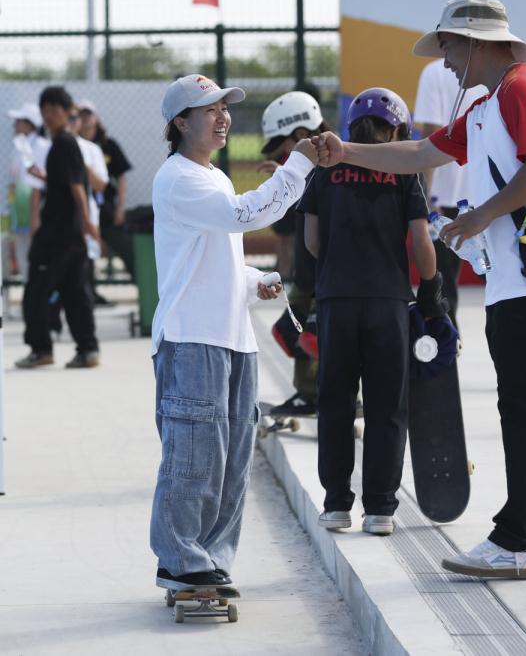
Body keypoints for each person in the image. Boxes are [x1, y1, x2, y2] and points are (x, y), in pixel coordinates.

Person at [313, 0, 526, 578]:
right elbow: (421, 151)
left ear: (478, 42)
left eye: (449, 48)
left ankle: (515, 541)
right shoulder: (487, 104)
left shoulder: (523, 89)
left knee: (525, 411)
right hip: (513, 281)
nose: (445, 62)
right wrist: (345, 151)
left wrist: (481, 216)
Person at [150, 74, 317, 592]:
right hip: (191, 338)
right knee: (195, 453)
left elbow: (209, 262)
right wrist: (300, 163)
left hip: (232, 338)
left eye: (226, 108)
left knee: (233, 457)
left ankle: (209, 557)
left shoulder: (213, 177)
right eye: (210, 110)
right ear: (180, 122)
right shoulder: (180, 177)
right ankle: (179, 559)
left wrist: (253, 282)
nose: (223, 117)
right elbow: (246, 215)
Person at [299, 87, 446, 536]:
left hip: (336, 302)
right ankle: (380, 508)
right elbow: (421, 241)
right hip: (387, 303)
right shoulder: (402, 173)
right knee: (386, 406)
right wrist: (431, 294)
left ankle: (337, 504)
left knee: (337, 403)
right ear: (397, 129)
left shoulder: (326, 171)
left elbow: (311, 241)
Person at [15, 86, 100, 370]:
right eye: (45, 110)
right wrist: (45, 176)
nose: (49, 115)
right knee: (75, 292)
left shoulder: (64, 143)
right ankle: (88, 350)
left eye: (55, 110)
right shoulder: (62, 145)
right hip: (71, 236)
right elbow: (65, 181)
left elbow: (77, 187)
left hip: (57, 234)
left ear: (67, 112)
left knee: (36, 292)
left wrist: (88, 223)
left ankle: (41, 350)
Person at [259, 89, 328, 417]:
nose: (286, 155)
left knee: (314, 336)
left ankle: (323, 396)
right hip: (306, 273)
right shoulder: (310, 169)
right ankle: (307, 395)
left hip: (323, 274)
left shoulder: (332, 167)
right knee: (291, 331)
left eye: (286, 146)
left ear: (302, 135)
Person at [414, 59, 487, 326]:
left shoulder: (434, 72)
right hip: (485, 194)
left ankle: (446, 346)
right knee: (496, 273)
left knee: (442, 281)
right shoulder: (492, 72)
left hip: (444, 198)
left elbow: (431, 134)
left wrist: (425, 197)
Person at [78, 100, 135, 286]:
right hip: (81, 207)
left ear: (96, 118)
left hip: (106, 206)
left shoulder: (108, 145)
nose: (85, 118)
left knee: (125, 246)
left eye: (88, 114)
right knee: (84, 251)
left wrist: (120, 208)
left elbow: (121, 178)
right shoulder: (72, 145)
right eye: (80, 114)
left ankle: (142, 281)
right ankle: (89, 292)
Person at [5, 102, 50, 280]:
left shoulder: (42, 146)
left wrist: (34, 218)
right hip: (21, 214)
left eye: (19, 121)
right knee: (25, 260)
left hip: (38, 214)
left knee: (39, 260)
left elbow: (38, 184)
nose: (15, 125)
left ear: (30, 123)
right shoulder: (19, 148)